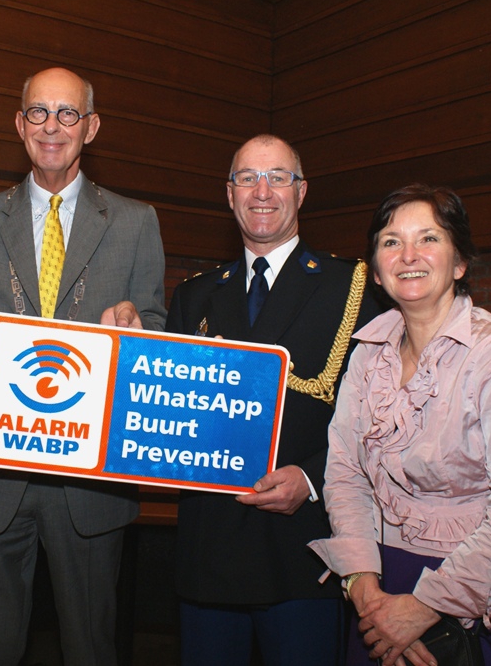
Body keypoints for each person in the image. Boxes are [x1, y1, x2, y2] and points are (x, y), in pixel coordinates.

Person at [0, 66, 167, 665]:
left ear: (91, 127)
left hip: (90, 482)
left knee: (92, 649)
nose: (52, 126)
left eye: (68, 114)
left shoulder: (136, 221)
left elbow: (157, 329)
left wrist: (138, 334)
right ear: (19, 124)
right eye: (38, 112)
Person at [309, 184, 491, 666]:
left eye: (428, 238)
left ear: (460, 262)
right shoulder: (365, 355)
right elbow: (345, 473)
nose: (408, 255)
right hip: (379, 582)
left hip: (479, 586)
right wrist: (361, 582)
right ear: (377, 272)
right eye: (390, 242)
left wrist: (425, 606)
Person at [165, 134, 382, 665]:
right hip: (209, 552)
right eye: (247, 178)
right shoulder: (194, 294)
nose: (262, 191)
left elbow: (377, 419)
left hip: (301, 551)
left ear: (301, 191)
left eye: (278, 177)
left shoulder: (352, 285)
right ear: (229, 194)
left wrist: (311, 478)